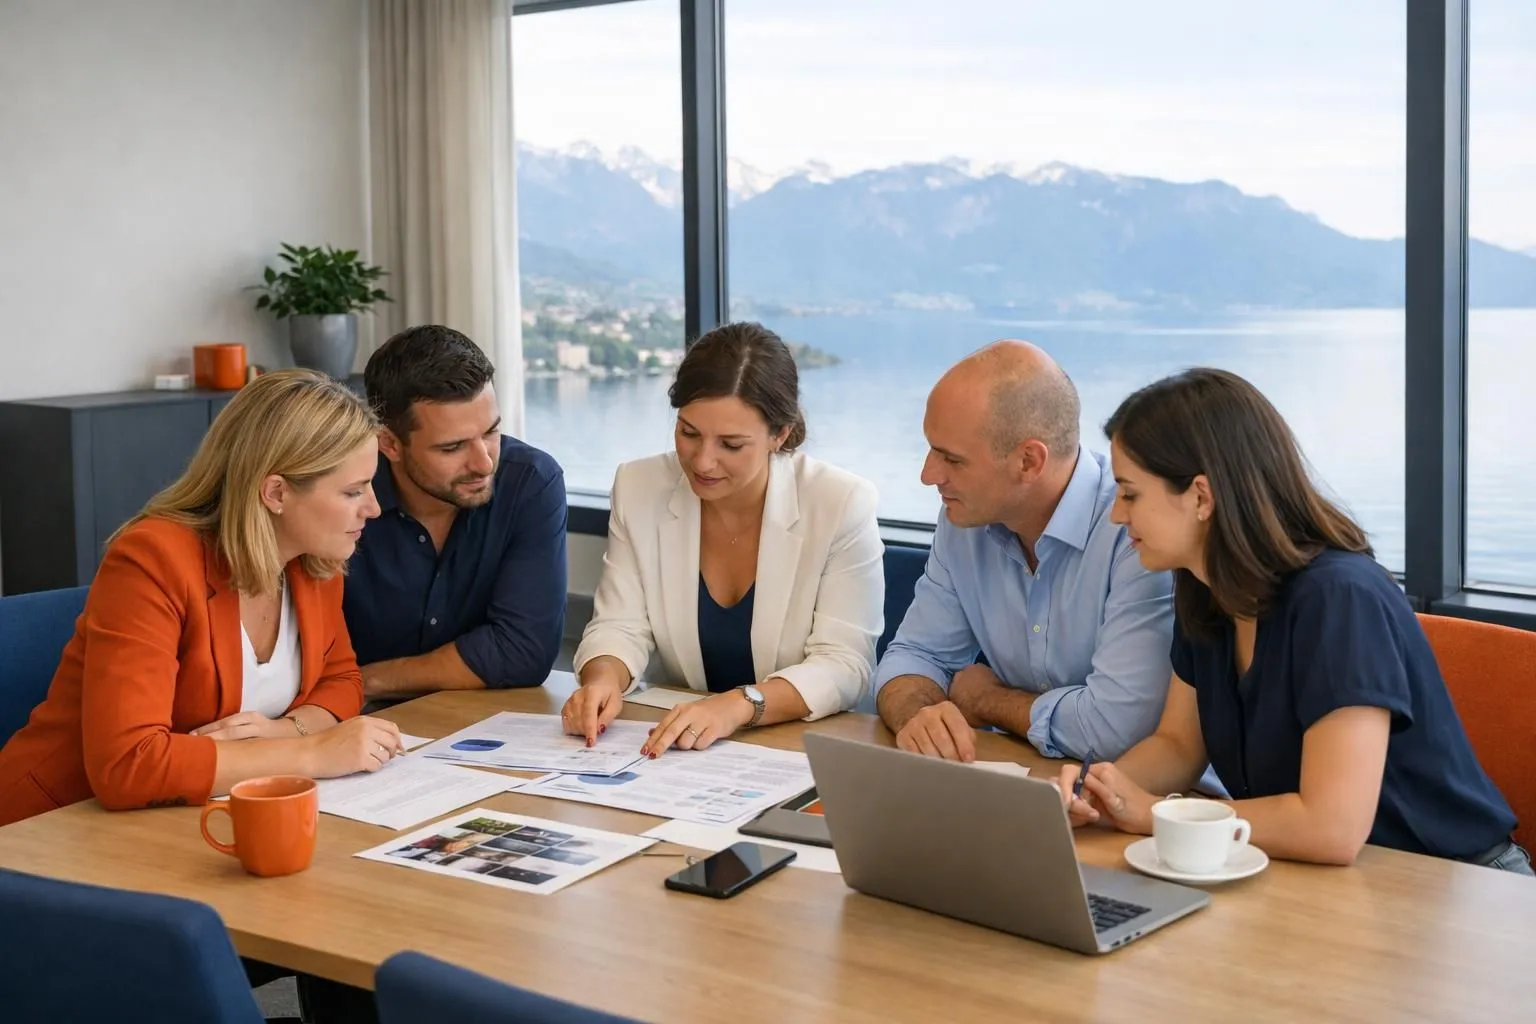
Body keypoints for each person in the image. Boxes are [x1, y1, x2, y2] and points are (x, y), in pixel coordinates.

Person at [1056, 368, 1531, 874]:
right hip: (1338, 884)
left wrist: (1156, 814)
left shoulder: (1342, 599)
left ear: (1200, 496)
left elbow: (1331, 827)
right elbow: (1178, 745)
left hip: (1459, 889)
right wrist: (1098, 792)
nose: (1116, 516)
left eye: (1130, 494)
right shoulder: (1203, 587)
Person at [0, 369, 404, 828]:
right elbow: (129, 763)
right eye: (353, 491)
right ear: (276, 493)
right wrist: (310, 752)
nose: (372, 507)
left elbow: (342, 678)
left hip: (187, 822)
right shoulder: (153, 560)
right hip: (52, 830)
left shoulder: (312, 559)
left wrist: (285, 730)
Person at [562, 322, 884, 755]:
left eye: (731, 445)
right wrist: (603, 681)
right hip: (679, 747)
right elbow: (620, 625)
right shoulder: (638, 486)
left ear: (780, 435)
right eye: (688, 433)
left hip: (802, 747)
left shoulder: (840, 502)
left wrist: (740, 705)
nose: (703, 461)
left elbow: (845, 665)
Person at [874, 341, 1174, 763]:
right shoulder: (966, 518)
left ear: (1029, 462)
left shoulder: (1136, 530)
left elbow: (1113, 729)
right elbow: (912, 656)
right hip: (1028, 782)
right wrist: (919, 714)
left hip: (1157, 802)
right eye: (931, 449)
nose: (928, 475)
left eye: (952, 459)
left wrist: (987, 701)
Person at [344, 325, 567, 702]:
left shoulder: (530, 482)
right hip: (348, 721)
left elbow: (523, 651)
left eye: (491, 432)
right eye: (452, 448)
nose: (484, 463)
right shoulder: (341, 492)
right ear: (389, 444)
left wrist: (368, 680)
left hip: (474, 720)